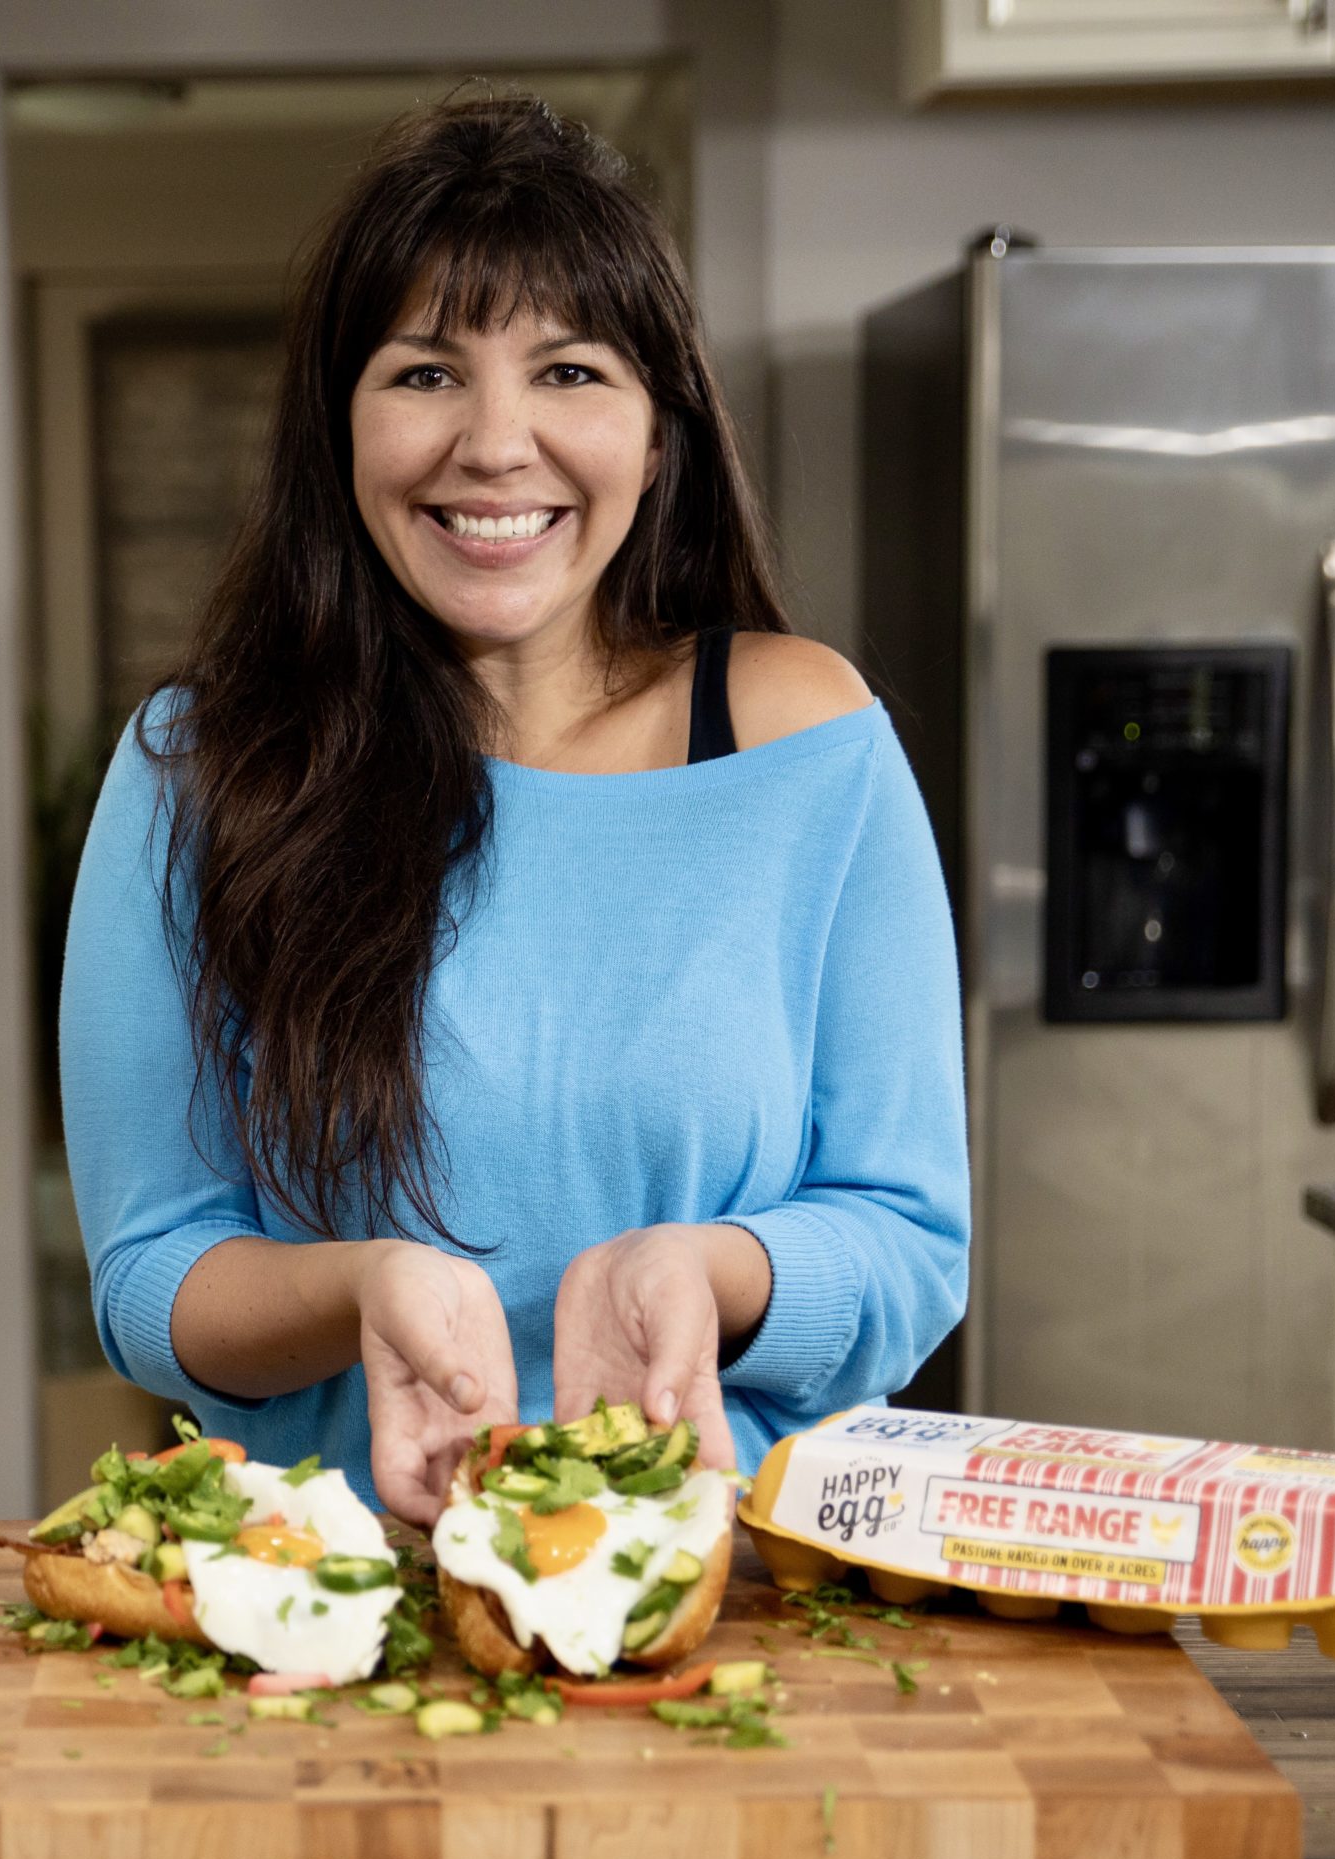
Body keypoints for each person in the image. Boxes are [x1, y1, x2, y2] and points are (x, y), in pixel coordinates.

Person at [60, 92, 969, 1528]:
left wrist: (707, 1272)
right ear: (337, 428)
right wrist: (365, 1284)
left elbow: (911, 1241)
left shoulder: (805, 741)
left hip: (732, 1591)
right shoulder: (198, 767)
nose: (495, 444)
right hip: (346, 1602)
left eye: (568, 370)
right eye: (425, 373)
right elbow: (149, 1276)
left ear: (658, 431)